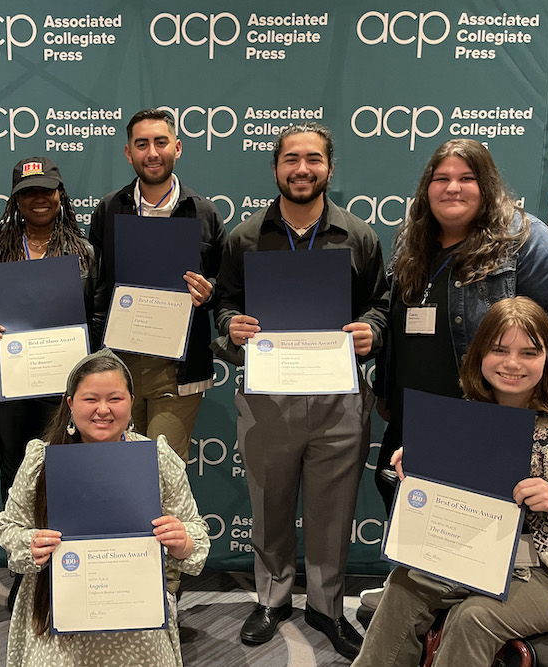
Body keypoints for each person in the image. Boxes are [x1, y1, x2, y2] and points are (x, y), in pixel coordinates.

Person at [213, 123, 388, 658]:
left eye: (313, 159)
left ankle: (328, 606)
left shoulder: (359, 236)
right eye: (291, 159)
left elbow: (380, 306)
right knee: (269, 503)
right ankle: (272, 598)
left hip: (338, 399)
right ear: (275, 169)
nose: (302, 169)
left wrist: (372, 331)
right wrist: (231, 331)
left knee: (333, 509)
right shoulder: (244, 238)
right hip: (268, 396)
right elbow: (221, 310)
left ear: (329, 168)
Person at [354, 296, 548, 666]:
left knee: (474, 618)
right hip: (476, 554)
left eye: (529, 352)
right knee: (404, 585)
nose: (513, 363)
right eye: (499, 350)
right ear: (480, 354)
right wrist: (422, 465)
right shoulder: (467, 414)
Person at [373, 138, 548, 516]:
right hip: (414, 422)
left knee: (472, 544)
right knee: (414, 540)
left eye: (467, 178)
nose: (453, 187)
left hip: (487, 428)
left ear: (487, 185)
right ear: (427, 189)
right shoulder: (413, 243)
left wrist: (546, 431)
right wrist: (387, 394)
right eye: (441, 178)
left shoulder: (527, 243)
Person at [0, 348, 209, 667]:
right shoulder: (43, 459)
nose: (103, 410)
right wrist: (32, 544)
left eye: (115, 399)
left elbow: (196, 531)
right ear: (70, 403)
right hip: (59, 613)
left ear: (132, 401)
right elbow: (8, 526)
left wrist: (183, 541)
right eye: (91, 399)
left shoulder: (156, 460)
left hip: (135, 613)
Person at [88, 108, 228, 466]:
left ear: (177, 147)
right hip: (118, 362)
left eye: (161, 142)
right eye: (142, 144)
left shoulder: (203, 213)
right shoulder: (109, 210)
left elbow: (225, 287)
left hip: (176, 369)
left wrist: (208, 292)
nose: (152, 153)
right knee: (115, 468)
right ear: (128, 152)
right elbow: (98, 286)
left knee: (162, 470)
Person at [0, 156, 102, 508]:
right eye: (28, 192)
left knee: (63, 468)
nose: (39, 198)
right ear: (16, 199)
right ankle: (21, 558)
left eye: (47, 189)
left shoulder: (84, 253)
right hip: (7, 385)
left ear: (60, 194)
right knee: (14, 472)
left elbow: (99, 318)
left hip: (63, 385)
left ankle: (59, 558)